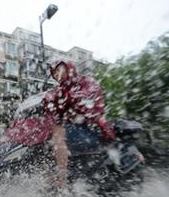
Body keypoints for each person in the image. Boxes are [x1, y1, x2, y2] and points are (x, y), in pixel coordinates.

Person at [43, 60, 116, 189]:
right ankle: (48, 182)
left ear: (68, 68)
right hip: (74, 131)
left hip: (92, 130)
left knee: (58, 131)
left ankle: (62, 183)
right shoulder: (60, 90)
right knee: (43, 139)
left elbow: (89, 105)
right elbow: (54, 111)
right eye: (53, 73)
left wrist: (67, 96)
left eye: (58, 70)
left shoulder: (87, 82)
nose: (56, 74)